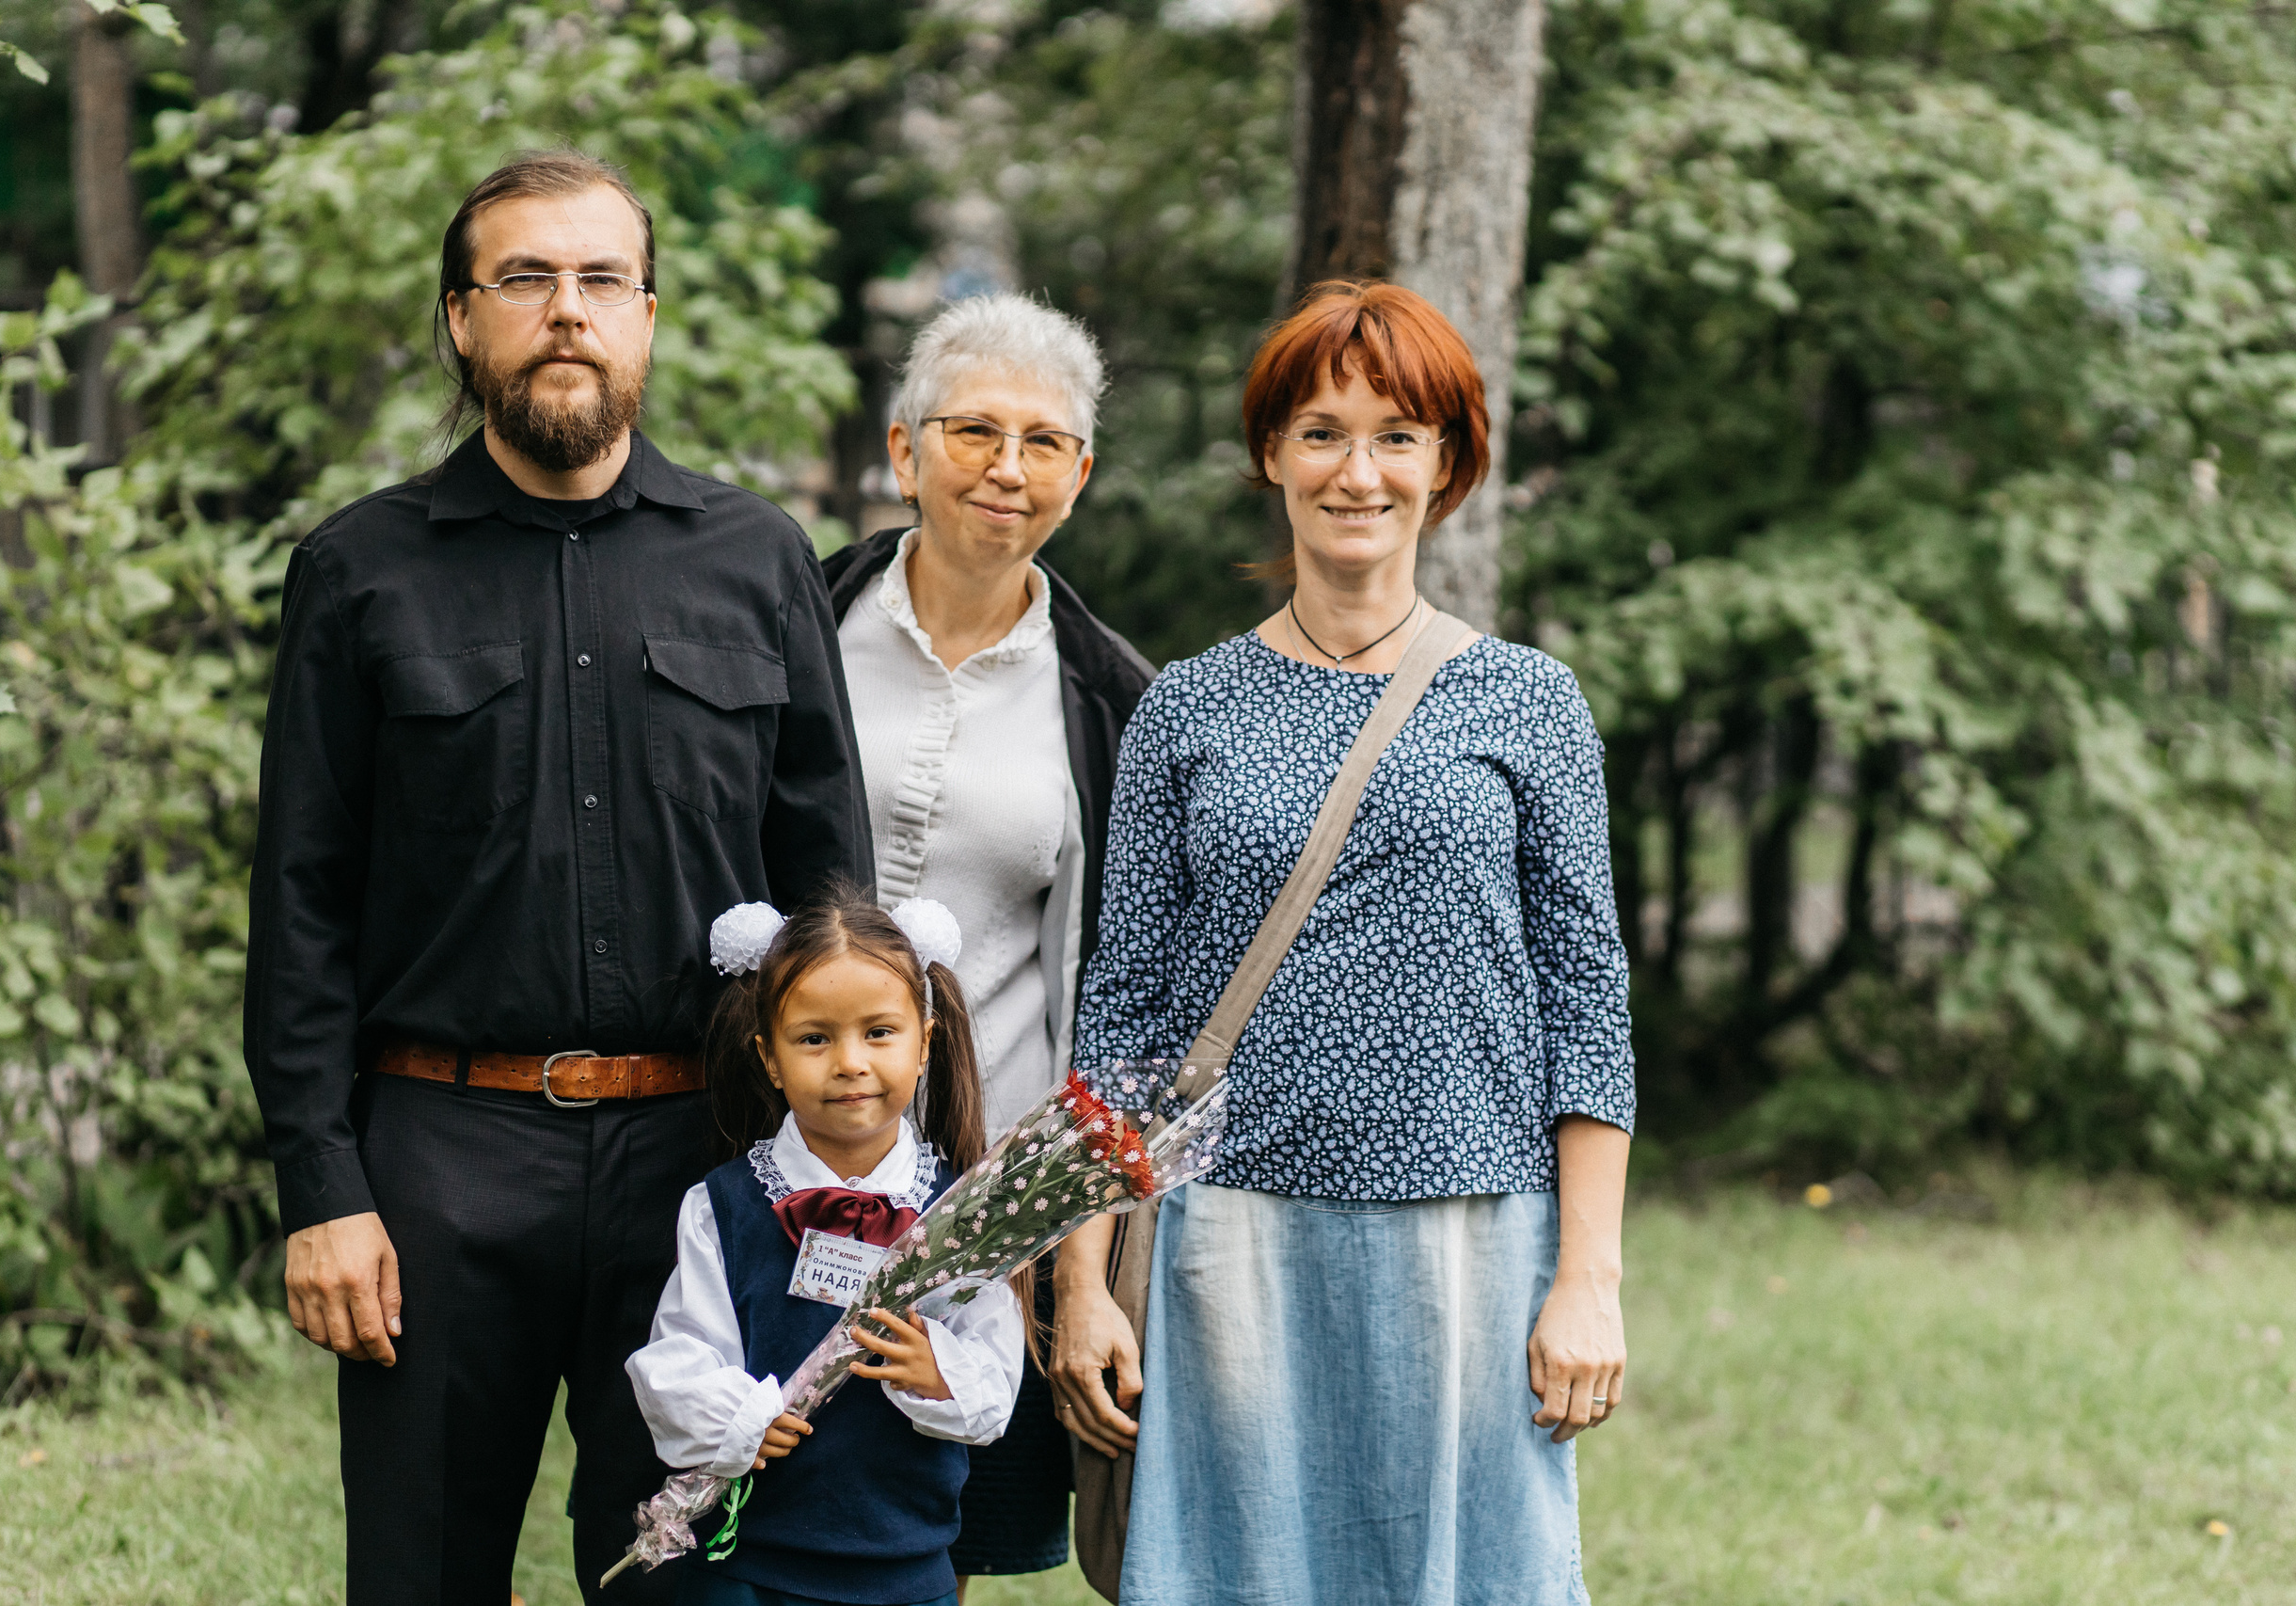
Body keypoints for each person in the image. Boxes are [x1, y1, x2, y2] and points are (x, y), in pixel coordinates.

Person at [243, 150, 870, 1604]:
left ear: (647, 316)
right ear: (463, 320)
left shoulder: (759, 559)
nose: (566, 310)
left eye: (600, 280)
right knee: (422, 1569)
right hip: (437, 1159)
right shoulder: (360, 571)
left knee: (676, 1571)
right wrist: (321, 1183)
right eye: (525, 278)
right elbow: (304, 903)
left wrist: (831, 1158)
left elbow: (828, 889)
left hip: (697, 1162)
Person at [1053, 280, 1637, 1606]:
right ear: (1270, 453)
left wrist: (1587, 1280)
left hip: (1472, 1241)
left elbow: (1590, 1012)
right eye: (1321, 431)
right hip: (1227, 1244)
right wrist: (1082, 1281)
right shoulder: (1185, 708)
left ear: (1447, 463)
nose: (1357, 471)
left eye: (1397, 434)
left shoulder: (1529, 701)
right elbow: (1123, 1018)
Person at [819, 294, 1155, 1583]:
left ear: (1080, 474)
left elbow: (1110, 1006)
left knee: (925, 1549)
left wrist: (1075, 1269)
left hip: (985, 1206)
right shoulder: (796, 626)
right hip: (772, 1176)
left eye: (1044, 440)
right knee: (742, 1503)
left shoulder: (1115, 697)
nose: (1005, 467)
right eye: (974, 430)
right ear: (905, 450)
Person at [627, 890, 1024, 1606]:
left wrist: (941, 1370)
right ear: (769, 1057)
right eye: (815, 1038)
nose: (849, 1062)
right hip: (751, 1572)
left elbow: (994, 1386)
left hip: (905, 1569)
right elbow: (677, 1359)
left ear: (925, 1040)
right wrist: (741, 1417)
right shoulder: (724, 1207)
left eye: (879, 1032)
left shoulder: (963, 1216)